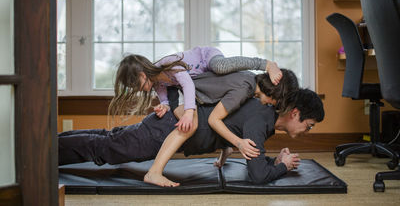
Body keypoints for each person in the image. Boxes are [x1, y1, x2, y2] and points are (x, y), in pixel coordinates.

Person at [59, 81, 323, 186]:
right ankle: (42, 154)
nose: (306, 130)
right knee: (105, 150)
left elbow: (253, 157)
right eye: (308, 125)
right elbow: (257, 176)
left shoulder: (262, 113)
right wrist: (284, 167)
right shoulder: (261, 119)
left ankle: (49, 144)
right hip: (167, 132)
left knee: (109, 139)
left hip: (167, 126)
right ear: (295, 113)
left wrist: (275, 161)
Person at [144, 69, 299, 187]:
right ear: (275, 92)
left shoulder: (250, 88)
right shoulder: (245, 87)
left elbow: (229, 114)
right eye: (276, 102)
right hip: (181, 92)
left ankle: (226, 147)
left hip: (197, 97)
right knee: (190, 126)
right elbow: (214, 119)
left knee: (225, 117)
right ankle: (154, 172)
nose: (273, 106)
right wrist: (238, 142)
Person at [108, 46, 282, 133]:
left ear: (142, 73)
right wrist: (165, 106)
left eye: (136, 84)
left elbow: (187, 85)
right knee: (211, 97)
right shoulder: (157, 83)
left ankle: (265, 63)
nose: (138, 90)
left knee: (220, 67)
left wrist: (188, 113)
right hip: (204, 77)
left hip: (207, 57)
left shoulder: (168, 64)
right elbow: (164, 98)